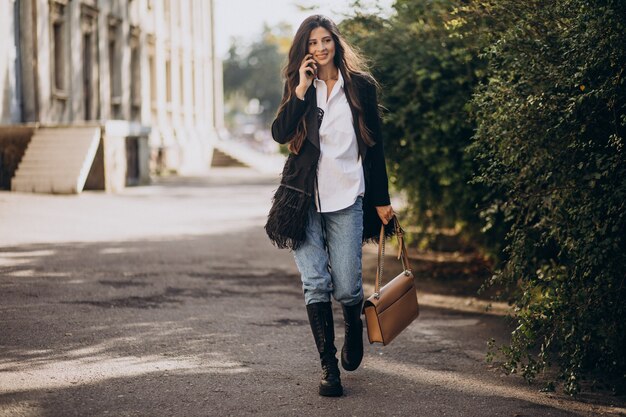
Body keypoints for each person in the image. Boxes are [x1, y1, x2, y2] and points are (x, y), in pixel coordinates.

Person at [264, 14, 395, 397]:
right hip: (302, 199)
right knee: (315, 283)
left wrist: (382, 200)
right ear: (304, 50)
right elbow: (280, 133)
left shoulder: (361, 88)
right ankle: (328, 369)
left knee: (348, 285)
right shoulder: (300, 86)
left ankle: (353, 326)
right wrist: (302, 89)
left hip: (347, 196)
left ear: (335, 42)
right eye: (312, 43)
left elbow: (375, 146)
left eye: (325, 40)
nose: (320, 48)